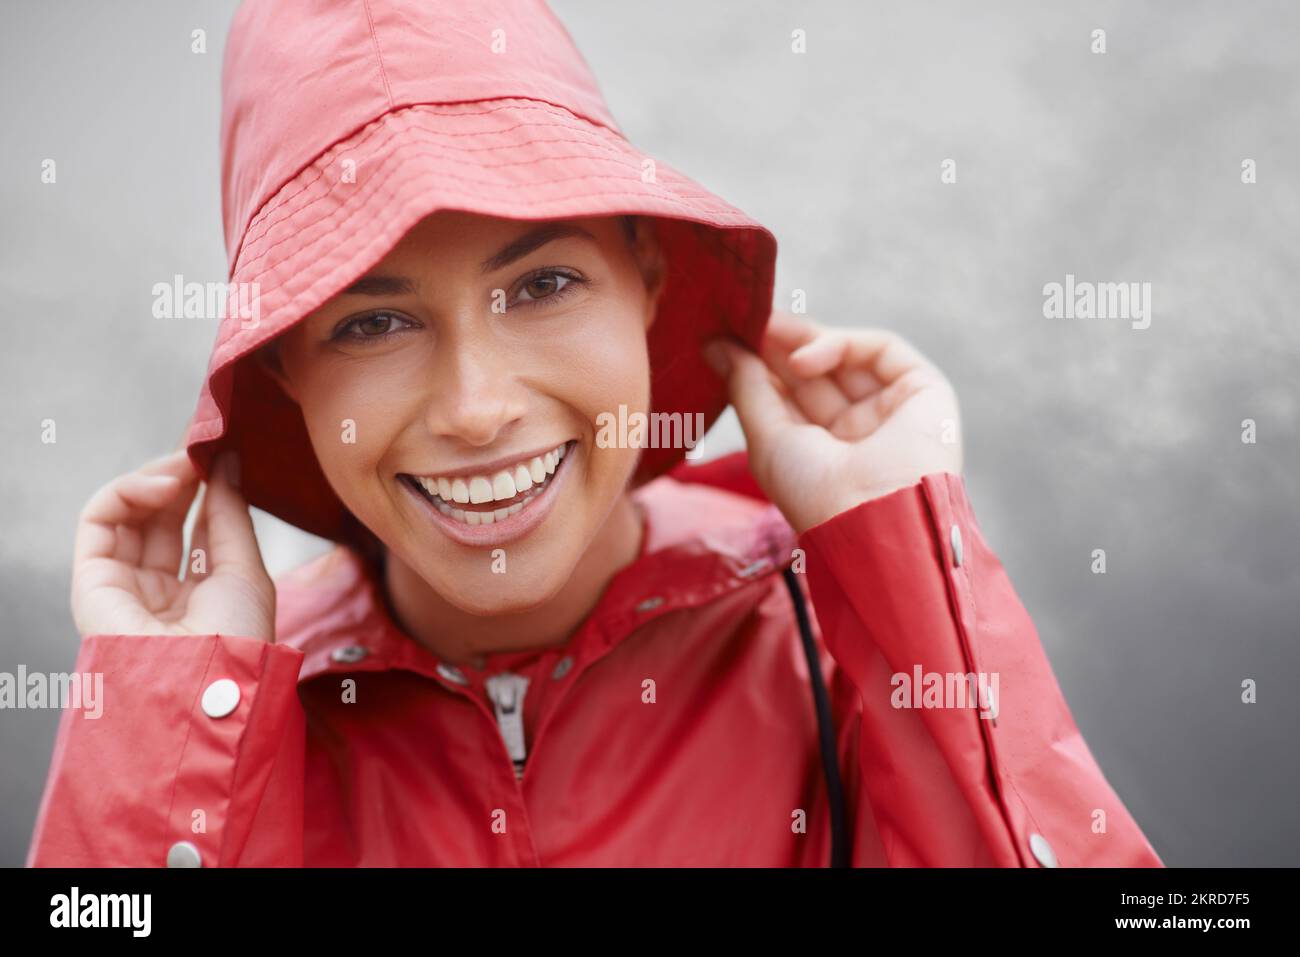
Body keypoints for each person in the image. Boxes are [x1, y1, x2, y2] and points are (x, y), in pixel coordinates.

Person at [27, 0, 1162, 867]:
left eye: (544, 284)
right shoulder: (235, 730)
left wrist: (906, 563)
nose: (476, 407)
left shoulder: (830, 635)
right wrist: (166, 717)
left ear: (649, 281)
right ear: (286, 373)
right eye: (374, 320)